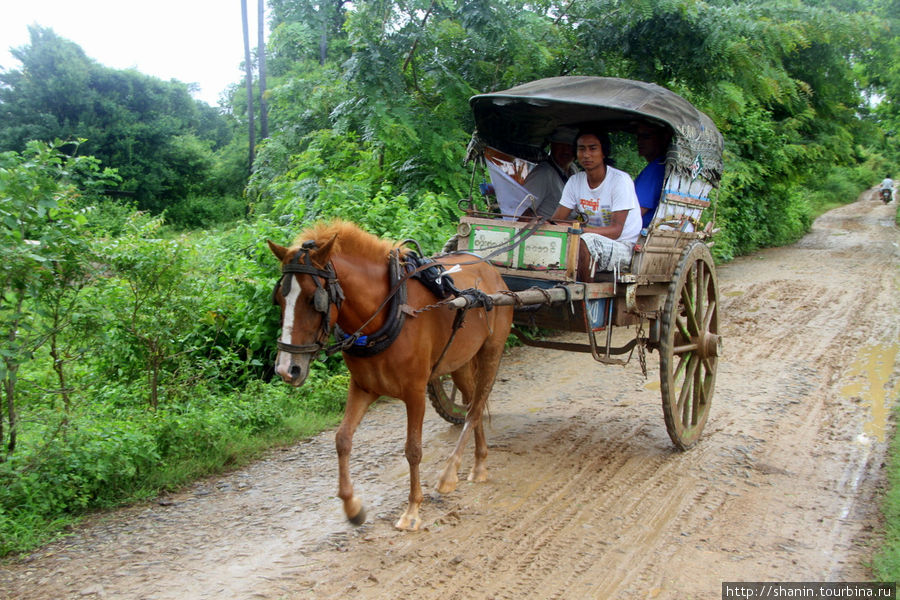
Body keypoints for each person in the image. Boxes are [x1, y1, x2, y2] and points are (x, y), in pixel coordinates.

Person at [551, 128, 642, 280]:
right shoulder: (575, 181)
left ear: (604, 152)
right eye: (581, 149)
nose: (586, 155)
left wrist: (579, 230)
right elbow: (556, 220)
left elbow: (615, 231)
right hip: (587, 238)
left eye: (593, 149)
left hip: (623, 246)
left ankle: (583, 298)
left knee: (583, 243)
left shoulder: (620, 181)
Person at [521, 129, 577, 219]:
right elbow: (522, 213)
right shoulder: (542, 174)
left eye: (570, 146)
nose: (566, 150)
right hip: (549, 230)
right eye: (560, 145)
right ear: (552, 146)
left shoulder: (573, 169)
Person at [633, 124, 672, 229]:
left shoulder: (656, 169)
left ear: (663, 139)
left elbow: (635, 213)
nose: (640, 142)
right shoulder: (661, 166)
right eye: (638, 137)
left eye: (646, 137)